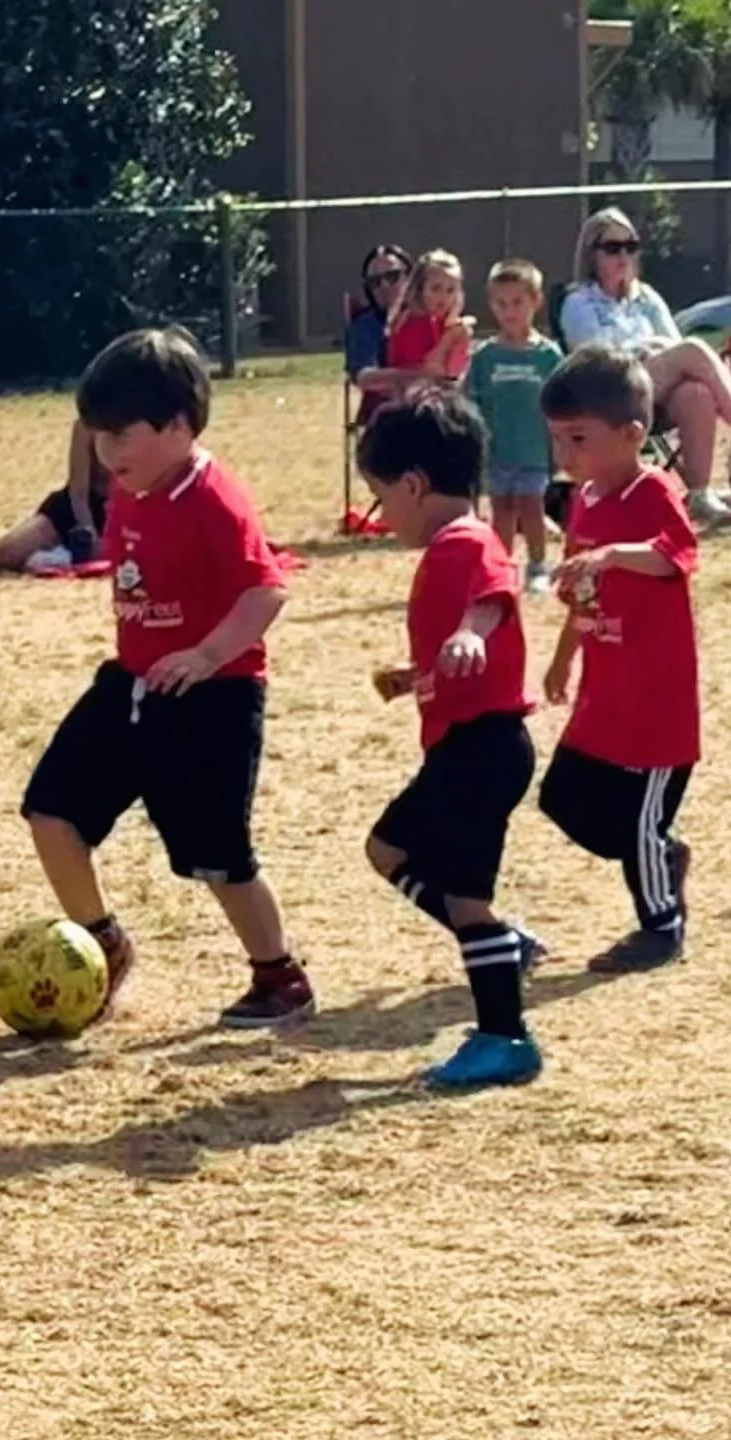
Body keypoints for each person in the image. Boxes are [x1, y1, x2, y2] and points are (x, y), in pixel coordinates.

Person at [20, 327, 310, 1029]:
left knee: (217, 856)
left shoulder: (214, 496)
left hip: (214, 698)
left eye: (124, 435)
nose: (108, 453)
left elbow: (265, 591)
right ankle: (104, 942)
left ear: (180, 428)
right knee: (51, 811)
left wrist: (207, 656)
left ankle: (280, 977)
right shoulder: (131, 489)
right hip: (133, 686)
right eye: (99, 436)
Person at [359, 388, 542, 1089]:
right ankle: (500, 948)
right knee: (387, 851)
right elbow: (464, 637)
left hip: (482, 748)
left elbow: (496, 594)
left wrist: (470, 632)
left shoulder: (465, 540)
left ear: (412, 484)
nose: (383, 517)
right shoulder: (450, 546)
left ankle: (506, 1036)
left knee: (460, 895)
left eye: (381, 500)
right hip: (473, 745)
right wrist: (419, 675)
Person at [538, 346, 698, 973]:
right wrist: (562, 658)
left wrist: (611, 556)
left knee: (635, 820)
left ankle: (661, 927)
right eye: (557, 439)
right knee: (562, 799)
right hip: (603, 696)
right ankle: (660, 853)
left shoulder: (653, 489)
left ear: (633, 435)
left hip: (656, 704)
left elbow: (673, 555)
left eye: (578, 438)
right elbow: (582, 591)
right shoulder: (585, 501)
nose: (565, 455)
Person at [560, 206, 731, 523]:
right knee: (694, 349)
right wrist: (645, 349)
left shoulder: (647, 298)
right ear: (591, 255)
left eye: (630, 246)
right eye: (612, 248)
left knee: (696, 393)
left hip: (656, 385)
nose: (622, 255)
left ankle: (699, 495)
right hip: (609, 388)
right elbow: (596, 356)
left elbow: (671, 342)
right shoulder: (578, 301)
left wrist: (652, 350)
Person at [465, 259, 564, 594]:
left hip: (534, 448)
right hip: (498, 450)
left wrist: (561, 445)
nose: (509, 311)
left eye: (517, 302)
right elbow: (470, 401)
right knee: (502, 511)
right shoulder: (484, 357)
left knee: (532, 508)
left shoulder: (548, 356)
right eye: (501, 303)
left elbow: (561, 401)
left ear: (535, 302)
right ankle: (501, 566)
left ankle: (538, 565)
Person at [0, 417, 110, 571]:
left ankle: (60, 557)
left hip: (122, 509)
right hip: (80, 507)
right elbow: (78, 491)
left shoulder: (136, 424)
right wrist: (88, 531)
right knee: (5, 554)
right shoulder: (86, 425)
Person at [346, 243, 417, 416]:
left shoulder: (433, 318)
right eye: (375, 282)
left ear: (411, 278)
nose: (384, 286)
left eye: (393, 277)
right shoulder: (365, 326)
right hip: (386, 418)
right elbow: (365, 378)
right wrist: (423, 377)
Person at [387, 250, 476, 382]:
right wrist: (449, 338)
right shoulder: (412, 322)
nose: (443, 297)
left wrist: (462, 338)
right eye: (435, 288)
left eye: (451, 290)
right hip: (409, 392)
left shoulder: (444, 322)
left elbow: (455, 372)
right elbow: (431, 371)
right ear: (420, 289)